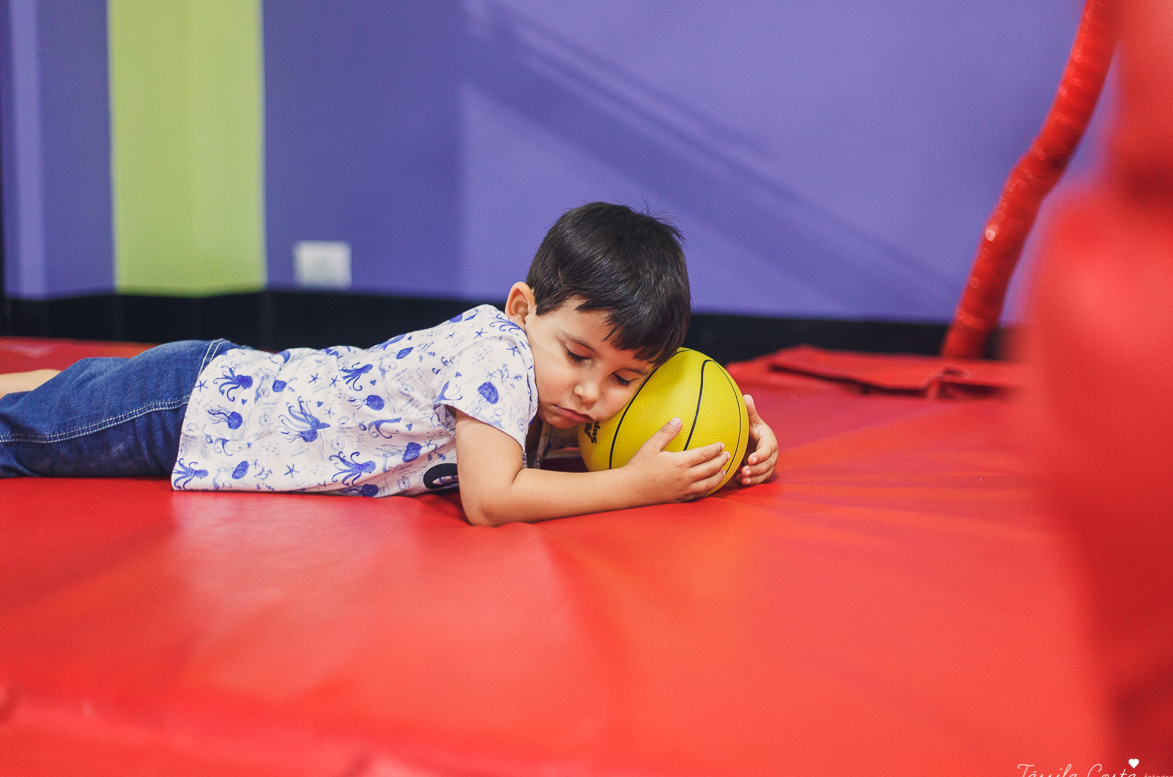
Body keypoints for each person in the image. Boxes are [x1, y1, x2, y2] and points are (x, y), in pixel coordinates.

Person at [0, 202, 778, 525]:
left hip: (216, 382)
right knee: (24, 438)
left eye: (624, 379)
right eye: (577, 355)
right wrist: (637, 486)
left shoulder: (551, 388)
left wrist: (738, 444)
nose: (591, 393)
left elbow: (620, 430)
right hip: (185, 409)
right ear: (521, 309)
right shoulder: (495, 355)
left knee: (61, 396)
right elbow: (491, 498)